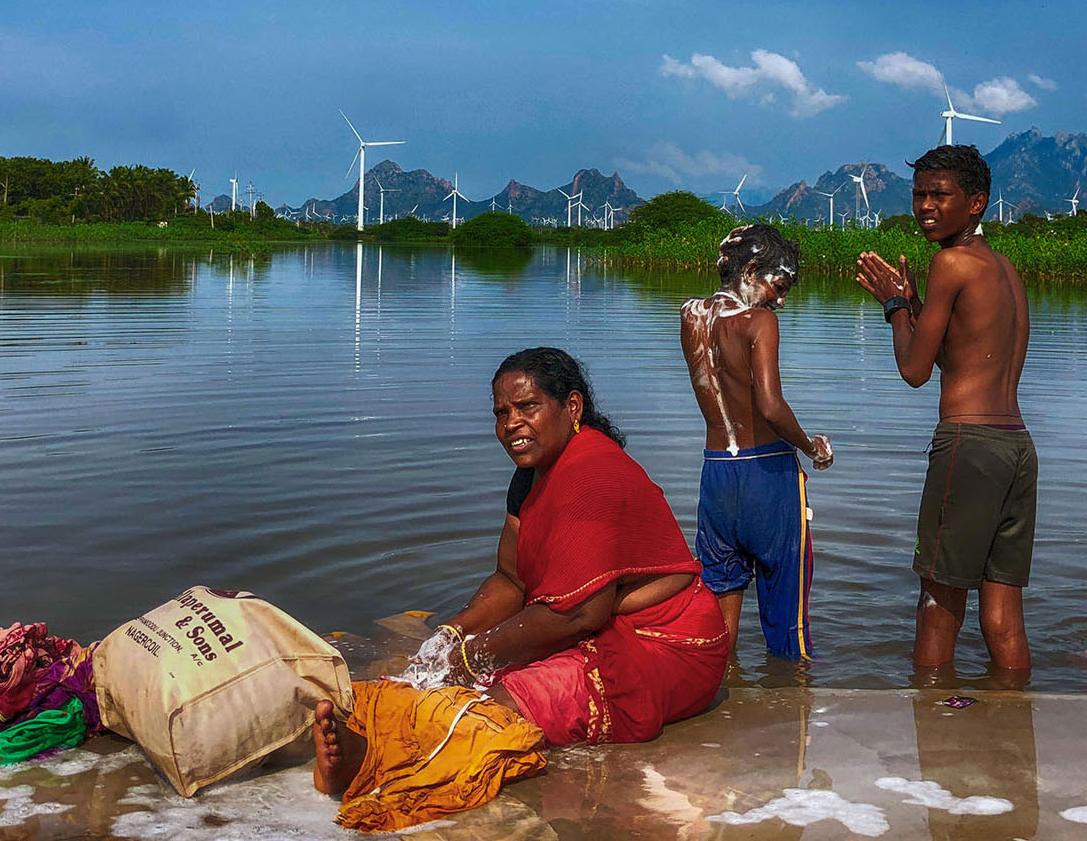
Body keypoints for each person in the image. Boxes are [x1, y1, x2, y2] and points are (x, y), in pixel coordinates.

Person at [314, 348, 730, 823]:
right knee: (442, 672)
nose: (511, 424)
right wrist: (451, 634)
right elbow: (511, 580)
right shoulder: (531, 475)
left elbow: (581, 613)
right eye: (501, 413)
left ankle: (366, 757)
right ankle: (380, 734)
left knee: (503, 701)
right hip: (597, 624)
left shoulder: (593, 474)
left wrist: (472, 656)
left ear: (572, 407)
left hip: (669, 646)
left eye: (527, 407)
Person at [855, 144, 1034, 672]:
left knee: (938, 601)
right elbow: (956, 359)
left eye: (939, 195)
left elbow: (914, 370)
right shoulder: (1005, 270)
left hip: (968, 446)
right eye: (918, 195)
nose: (925, 207)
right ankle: (1014, 706)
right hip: (1017, 448)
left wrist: (894, 308)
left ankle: (930, 710)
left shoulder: (950, 263)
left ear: (976, 203)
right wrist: (915, 306)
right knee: (1003, 610)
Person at [680, 224, 834, 660]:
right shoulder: (759, 321)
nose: (780, 301)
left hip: (717, 476)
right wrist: (812, 448)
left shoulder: (690, 315)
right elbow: (770, 406)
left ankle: (723, 693)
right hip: (766, 475)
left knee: (718, 623)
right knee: (789, 625)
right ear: (750, 271)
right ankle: (793, 694)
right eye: (779, 287)